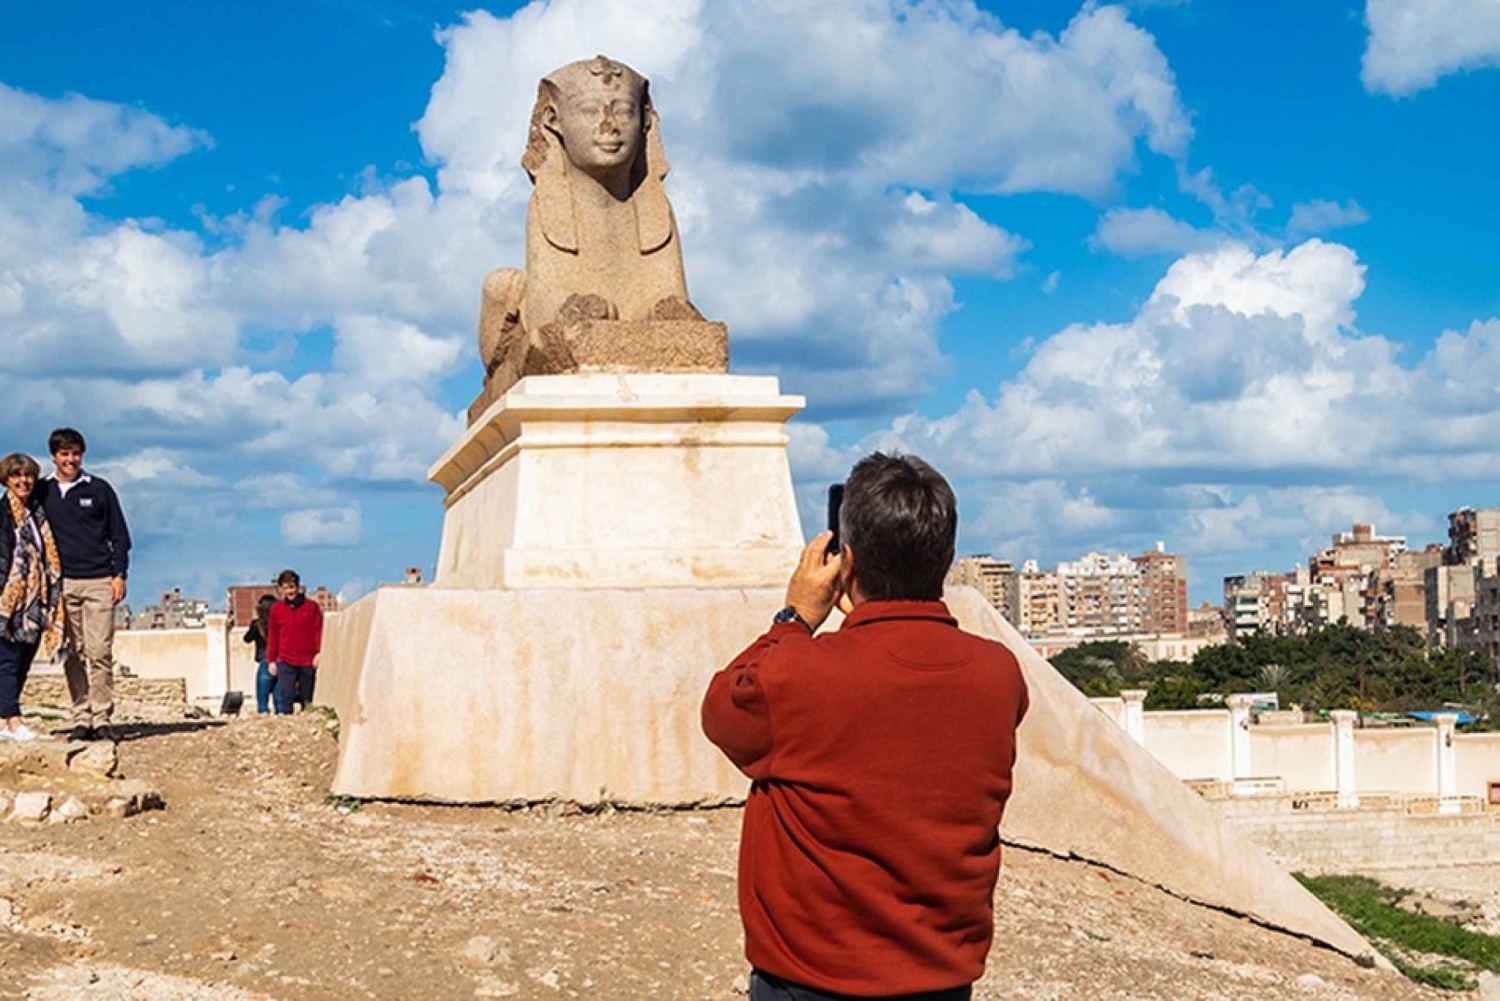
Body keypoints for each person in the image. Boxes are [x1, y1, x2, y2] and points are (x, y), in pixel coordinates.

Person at [702, 453, 1030, 1001]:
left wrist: (794, 618)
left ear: (844, 561)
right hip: (943, 980)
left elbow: (722, 711)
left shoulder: (797, 673)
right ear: (944, 558)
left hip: (810, 980)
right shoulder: (998, 673)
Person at [40, 428, 131, 743]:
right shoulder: (44, 492)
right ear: (54, 456)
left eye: (75, 453)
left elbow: (119, 536)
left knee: (99, 651)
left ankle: (102, 717)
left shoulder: (100, 489)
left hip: (98, 580)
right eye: (64, 454)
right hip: (61, 585)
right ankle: (81, 717)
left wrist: (119, 575)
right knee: (73, 653)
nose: (70, 459)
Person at [0, 454, 66, 743]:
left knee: (24, 659)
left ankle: (4, 719)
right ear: (6, 479)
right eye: (16, 476)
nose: (23, 481)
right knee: (7, 660)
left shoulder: (37, 514)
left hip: (35, 601)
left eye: (27, 475)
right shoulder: (2, 514)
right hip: (7, 600)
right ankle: (13, 720)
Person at [267, 569, 322, 715]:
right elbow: (273, 635)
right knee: (286, 695)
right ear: (281, 590)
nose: (289, 591)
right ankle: (287, 726)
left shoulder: (311, 608)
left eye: (291, 587)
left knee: (307, 699)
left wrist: (318, 652)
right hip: (285, 659)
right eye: (285, 588)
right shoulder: (276, 610)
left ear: (298, 587)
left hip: (307, 659)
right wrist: (271, 660)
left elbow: (318, 631)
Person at [243, 594, 278, 714]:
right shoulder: (279, 623)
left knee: (262, 701)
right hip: (280, 661)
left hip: (265, 661)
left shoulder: (257, 624)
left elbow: (247, 639)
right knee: (279, 700)